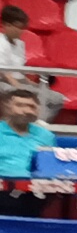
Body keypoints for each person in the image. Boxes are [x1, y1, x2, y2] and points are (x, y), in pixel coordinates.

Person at [0, 5, 65, 122]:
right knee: (38, 97)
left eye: (23, 27)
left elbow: (20, 72)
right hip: (3, 83)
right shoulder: (1, 42)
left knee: (57, 99)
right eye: (18, 27)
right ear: (7, 25)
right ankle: (34, 125)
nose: (21, 31)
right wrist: (20, 88)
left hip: (18, 81)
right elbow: (4, 72)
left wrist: (34, 85)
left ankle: (37, 123)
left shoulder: (20, 44)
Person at [0, 88, 58, 216]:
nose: (26, 110)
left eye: (31, 106)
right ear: (7, 108)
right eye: (19, 105)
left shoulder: (46, 136)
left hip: (34, 192)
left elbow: (51, 167)